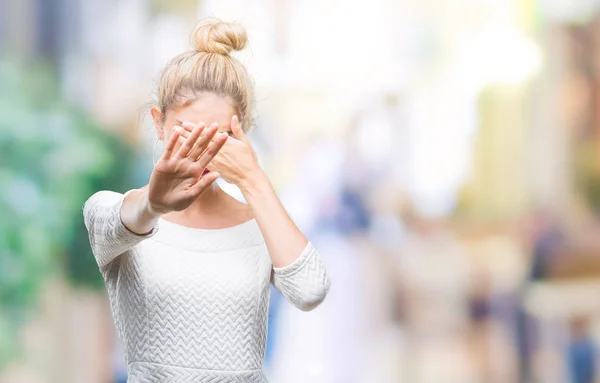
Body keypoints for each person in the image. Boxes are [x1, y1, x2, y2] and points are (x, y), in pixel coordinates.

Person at [82, 19, 330, 382]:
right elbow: (118, 222)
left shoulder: (261, 221)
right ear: (159, 123)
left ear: (242, 132)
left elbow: (310, 291)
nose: (200, 151)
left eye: (218, 136)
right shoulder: (118, 212)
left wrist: (252, 178)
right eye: (186, 133)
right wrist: (154, 203)